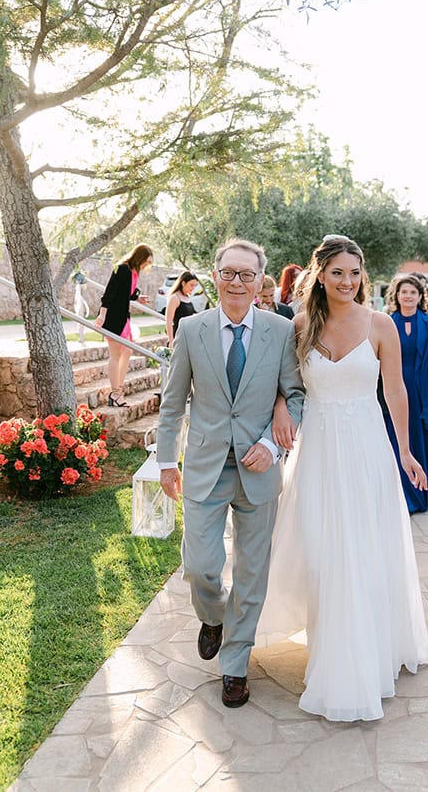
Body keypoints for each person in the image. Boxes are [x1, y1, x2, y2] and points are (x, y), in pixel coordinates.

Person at [257, 235, 428, 722]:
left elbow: (394, 390)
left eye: (355, 273)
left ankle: (363, 652)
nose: (348, 282)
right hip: (317, 450)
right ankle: (329, 637)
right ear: (320, 274)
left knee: (363, 545)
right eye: (338, 272)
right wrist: (278, 411)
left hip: (367, 448)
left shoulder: (381, 325)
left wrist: (406, 451)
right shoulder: (300, 326)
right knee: (322, 546)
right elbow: (284, 384)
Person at [156, 239, 304, 709]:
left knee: (251, 571)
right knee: (200, 566)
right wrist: (164, 461)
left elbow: (295, 395)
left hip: (258, 468)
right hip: (204, 466)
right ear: (214, 276)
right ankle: (213, 615)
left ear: (261, 281)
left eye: (246, 274)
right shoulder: (191, 329)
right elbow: (173, 398)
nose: (236, 282)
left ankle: (235, 665)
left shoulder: (280, 331)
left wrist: (269, 443)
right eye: (228, 273)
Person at [383, 273, 428, 513]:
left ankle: (421, 495)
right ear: (397, 296)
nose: (408, 296)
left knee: (418, 437)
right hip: (392, 387)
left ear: (420, 296)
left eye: (413, 292)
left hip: (420, 392)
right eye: (404, 292)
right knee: (396, 438)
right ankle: (401, 494)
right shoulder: (388, 321)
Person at [94, 243, 153, 406]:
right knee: (116, 355)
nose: (147, 265)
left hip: (124, 318)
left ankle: (118, 389)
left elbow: (127, 292)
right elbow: (110, 292)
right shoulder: (122, 269)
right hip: (113, 318)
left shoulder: (134, 272)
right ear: (139, 257)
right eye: (146, 261)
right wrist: (102, 314)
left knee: (127, 351)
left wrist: (137, 297)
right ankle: (115, 393)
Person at [165, 270, 198, 346]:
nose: (193, 288)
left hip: (188, 338)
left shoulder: (187, 297)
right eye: (191, 285)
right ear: (183, 283)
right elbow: (168, 321)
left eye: (195, 285)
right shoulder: (174, 298)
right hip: (178, 338)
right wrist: (171, 341)